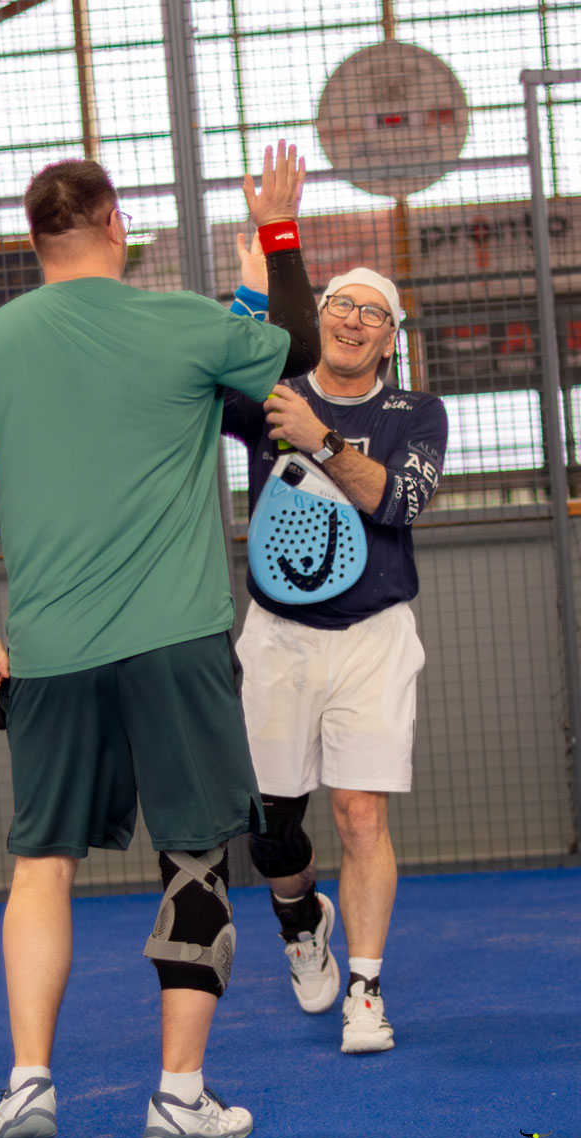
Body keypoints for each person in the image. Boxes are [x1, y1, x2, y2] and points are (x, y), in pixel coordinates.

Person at [0, 141, 320, 1138]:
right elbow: (299, 347)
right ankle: (177, 1097)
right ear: (114, 224)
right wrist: (276, 234)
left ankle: (25, 1084)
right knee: (193, 855)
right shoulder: (181, 322)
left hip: (49, 653)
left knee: (38, 866)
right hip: (174, 643)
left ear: (33, 240)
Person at [223, 242, 448, 1054]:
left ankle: (366, 988)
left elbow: (400, 501)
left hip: (376, 639)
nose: (354, 321)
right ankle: (298, 917)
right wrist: (260, 271)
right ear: (317, 323)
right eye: (340, 307)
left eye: (373, 313)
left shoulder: (416, 413)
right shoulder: (270, 397)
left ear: (390, 338)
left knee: (360, 813)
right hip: (278, 640)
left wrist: (320, 442)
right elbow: (212, 380)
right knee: (271, 829)